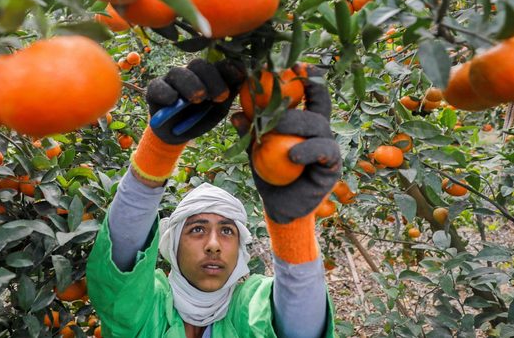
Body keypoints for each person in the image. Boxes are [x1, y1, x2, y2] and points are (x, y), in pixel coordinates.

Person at [86, 58, 340, 338]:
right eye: (197, 229)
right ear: (172, 244)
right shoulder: (149, 309)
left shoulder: (248, 308)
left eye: (227, 231)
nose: (214, 245)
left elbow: (300, 329)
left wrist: (292, 225)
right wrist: (158, 151)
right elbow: (119, 274)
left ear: (242, 249)